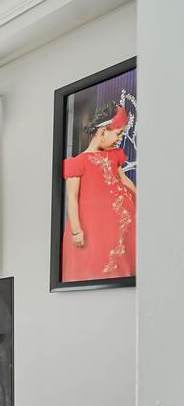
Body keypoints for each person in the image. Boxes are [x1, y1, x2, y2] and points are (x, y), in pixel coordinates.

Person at [62, 103, 135, 281]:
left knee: (125, 261)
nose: (119, 139)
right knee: (95, 260)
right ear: (103, 132)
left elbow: (124, 180)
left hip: (119, 221)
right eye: (118, 134)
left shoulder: (114, 155)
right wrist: (77, 230)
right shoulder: (76, 162)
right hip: (94, 225)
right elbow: (72, 197)